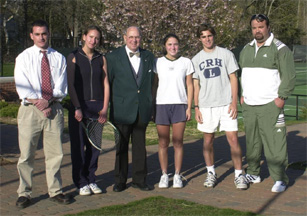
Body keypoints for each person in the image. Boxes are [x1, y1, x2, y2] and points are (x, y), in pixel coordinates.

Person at [14, 19, 70, 208]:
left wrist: (48, 101)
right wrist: (39, 102)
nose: (41, 37)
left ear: (49, 33)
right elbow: (22, 85)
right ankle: (24, 193)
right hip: (30, 111)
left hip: (53, 109)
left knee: (55, 154)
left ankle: (55, 190)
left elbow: (61, 87)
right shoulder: (23, 57)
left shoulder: (59, 58)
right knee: (27, 154)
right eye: (37, 34)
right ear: (31, 36)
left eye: (44, 33)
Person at [239, 14, 296, 193]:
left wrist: (281, 98)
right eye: (254, 27)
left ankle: (280, 178)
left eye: (261, 27)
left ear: (268, 27)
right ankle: (254, 173)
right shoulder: (246, 49)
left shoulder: (280, 49)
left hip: (270, 105)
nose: (258, 30)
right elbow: (244, 75)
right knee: (252, 143)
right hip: (249, 105)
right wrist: (242, 95)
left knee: (274, 144)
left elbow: (289, 76)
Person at [192, 23, 248, 190]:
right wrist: (196, 107)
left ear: (214, 36)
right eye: (203, 36)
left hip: (226, 105)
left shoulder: (226, 54)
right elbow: (195, 86)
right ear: (199, 39)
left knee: (233, 139)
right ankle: (211, 173)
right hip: (206, 106)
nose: (207, 39)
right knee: (208, 140)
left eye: (209, 35)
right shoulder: (196, 59)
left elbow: (233, 78)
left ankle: (239, 174)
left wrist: (234, 102)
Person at [106, 26, 155, 192]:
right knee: (121, 147)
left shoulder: (149, 56)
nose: (134, 40)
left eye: (137, 37)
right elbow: (108, 84)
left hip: (142, 109)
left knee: (140, 147)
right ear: (125, 37)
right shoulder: (112, 57)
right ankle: (120, 180)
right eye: (131, 37)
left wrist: (150, 104)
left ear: (141, 38)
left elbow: (152, 83)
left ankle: (139, 180)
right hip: (121, 109)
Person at [67, 26, 110, 196]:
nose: (93, 40)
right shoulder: (74, 56)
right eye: (91, 37)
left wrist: (104, 108)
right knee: (79, 147)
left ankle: (91, 179)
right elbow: (70, 85)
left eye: (97, 38)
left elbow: (106, 83)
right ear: (84, 36)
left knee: (94, 147)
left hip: (97, 107)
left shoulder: (101, 58)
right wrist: (77, 107)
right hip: (79, 107)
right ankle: (81, 182)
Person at [154, 34, 194, 189]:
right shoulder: (157, 62)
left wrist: (189, 107)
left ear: (179, 45)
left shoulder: (186, 62)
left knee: (178, 141)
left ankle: (177, 175)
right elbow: (154, 85)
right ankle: (164, 174)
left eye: (175, 44)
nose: (173, 47)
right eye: (169, 44)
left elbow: (190, 86)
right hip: (162, 105)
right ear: (165, 46)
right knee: (163, 142)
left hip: (179, 105)